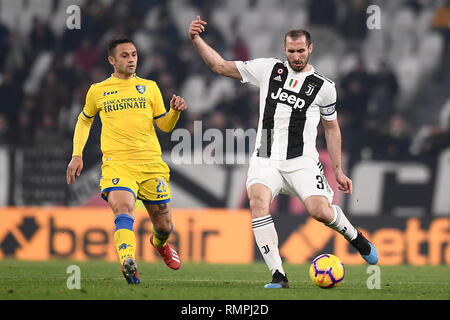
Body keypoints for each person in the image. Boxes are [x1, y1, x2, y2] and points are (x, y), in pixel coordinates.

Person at [189, 16, 378, 289]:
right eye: (291, 51)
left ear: (310, 49)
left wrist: (337, 169)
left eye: (301, 51)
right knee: (257, 202)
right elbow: (219, 65)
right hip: (265, 156)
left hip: (302, 160)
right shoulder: (268, 69)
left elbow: (332, 129)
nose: (296, 56)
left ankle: (356, 238)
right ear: (284, 49)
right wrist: (196, 39)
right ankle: (278, 274)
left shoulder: (324, 87)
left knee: (320, 211)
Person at [66, 38, 186, 284]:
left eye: (134, 54)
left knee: (164, 226)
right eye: (125, 55)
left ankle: (159, 244)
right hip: (118, 163)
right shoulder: (98, 90)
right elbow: (84, 120)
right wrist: (76, 154)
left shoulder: (149, 87)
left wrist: (174, 112)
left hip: (151, 164)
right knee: (123, 209)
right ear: (112, 60)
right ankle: (128, 261)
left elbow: (163, 125)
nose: (131, 59)